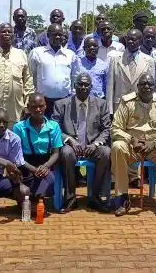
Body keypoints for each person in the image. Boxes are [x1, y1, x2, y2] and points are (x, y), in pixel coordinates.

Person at [109, 74, 156, 216]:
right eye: (143, 84)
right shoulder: (127, 102)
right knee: (117, 147)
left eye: (150, 84)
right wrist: (131, 140)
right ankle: (123, 198)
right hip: (133, 147)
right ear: (137, 86)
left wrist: (154, 143)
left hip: (155, 147)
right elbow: (115, 128)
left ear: (155, 87)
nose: (146, 86)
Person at [54, 73, 112, 212]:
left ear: (91, 87)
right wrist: (70, 140)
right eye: (80, 84)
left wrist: (95, 144)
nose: (83, 87)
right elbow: (55, 128)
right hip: (71, 147)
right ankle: (70, 198)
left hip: (93, 146)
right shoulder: (61, 104)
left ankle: (95, 197)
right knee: (66, 153)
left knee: (106, 152)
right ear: (74, 86)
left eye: (87, 85)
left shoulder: (101, 104)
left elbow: (107, 129)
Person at [12, 94, 63, 209]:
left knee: (50, 178)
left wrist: (46, 166)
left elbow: (56, 153)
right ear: (28, 107)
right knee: (23, 185)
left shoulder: (53, 126)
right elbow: (16, 155)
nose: (38, 109)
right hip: (25, 164)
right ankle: (28, 199)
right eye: (34, 107)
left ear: (46, 106)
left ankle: (35, 199)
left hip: (45, 163)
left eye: (41, 106)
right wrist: (33, 169)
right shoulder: (19, 127)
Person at [29, 23, 79, 120]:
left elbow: (74, 77)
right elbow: (31, 76)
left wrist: (72, 96)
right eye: (54, 34)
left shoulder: (70, 55)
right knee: (43, 127)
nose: (58, 37)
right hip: (43, 102)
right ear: (48, 35)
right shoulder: (37, 53)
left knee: (62, 127)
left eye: (60, 35)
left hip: (64, 100)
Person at [106, 29, 155, 113]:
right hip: (119, 106)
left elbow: (150, 88)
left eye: (133, 39)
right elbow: (110, 86)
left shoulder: (149, 60)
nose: (130, 41)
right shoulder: (115, 59)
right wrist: (109, 111)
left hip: (140, 107)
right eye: (128, 38)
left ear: (140, 41)